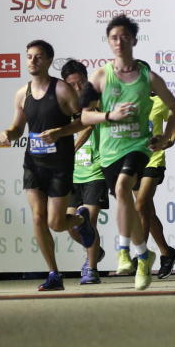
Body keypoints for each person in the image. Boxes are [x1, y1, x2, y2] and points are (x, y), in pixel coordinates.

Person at [80, 15, 175, 291]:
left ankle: (123, 252)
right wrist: (110, 115)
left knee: (125, 188)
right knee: (125, 198)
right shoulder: (100, 76)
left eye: (124, 37)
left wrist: (164, 137)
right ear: (109, 42)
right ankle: (143, 255)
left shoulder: (148, 77)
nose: (119, 42)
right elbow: (85, 117)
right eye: (114, 37)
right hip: (109, 152)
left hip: (138, 147)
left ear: (134, 40)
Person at [0, 40, 95, 291]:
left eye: (38, 57)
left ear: (49, 61)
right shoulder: (23, 93)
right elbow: (18, 127)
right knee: (38, 218)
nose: (32, 61)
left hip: (59, 165)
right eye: (29, 56)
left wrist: (61, 132)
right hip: (33, 163)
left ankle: (80, 221)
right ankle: (54, 273)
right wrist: (9, 134)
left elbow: (83, 121)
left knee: (56, 223)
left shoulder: (62, 90)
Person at [61, 59, 105, 284]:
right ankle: (94, 251)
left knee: (90, 221)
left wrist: (72, 148)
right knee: (69, 224)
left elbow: (87, 127)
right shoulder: (63, 106)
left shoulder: (93, 102)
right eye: (72, 85)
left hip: (95, 172)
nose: (78, 89)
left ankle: (92, 269)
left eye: (81, 83)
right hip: (72, 174)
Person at [142, 94, 175, 279]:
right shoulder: (128, 100)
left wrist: (170, 140)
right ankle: (167, 252)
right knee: (146, 211)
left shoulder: (159, 101)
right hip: (134, 161)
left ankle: (140, 255)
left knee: (141, 204)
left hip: (154, 161)